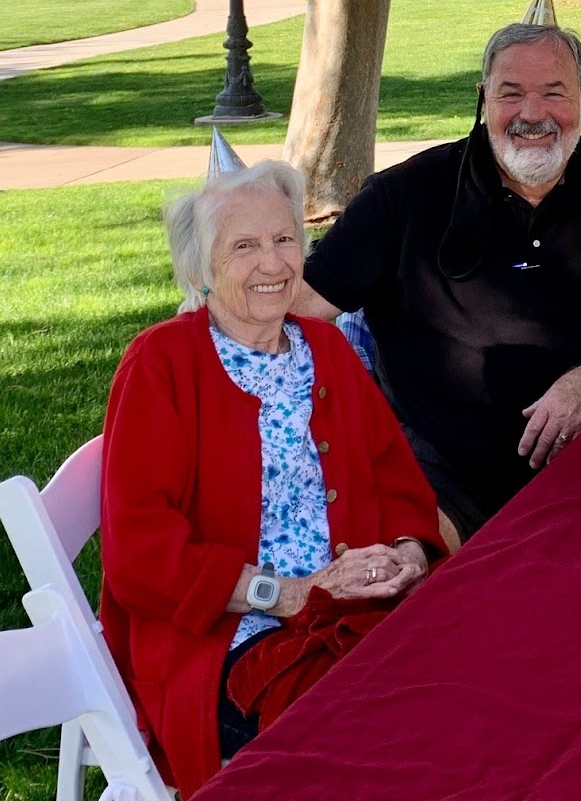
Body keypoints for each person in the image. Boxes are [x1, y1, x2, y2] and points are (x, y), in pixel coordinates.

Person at [100, 161, 444, 798]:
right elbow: (140, 557)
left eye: (285, 239)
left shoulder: (326, 348)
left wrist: (407, 554)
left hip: (355, 610)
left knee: (467, 685)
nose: (273, 263)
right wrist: (286, 594)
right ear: (200, 268)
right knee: (360, 739)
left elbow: (399, 484)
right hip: (228, 639)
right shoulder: (160, 365)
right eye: (243, 245)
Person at [298, 22, 581, 540]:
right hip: (445, 470)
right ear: (483, 97)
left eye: (554, 93)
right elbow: (297, 314)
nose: (532, 115)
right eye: (511, 94)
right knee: (409, 576)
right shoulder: (402, 196)